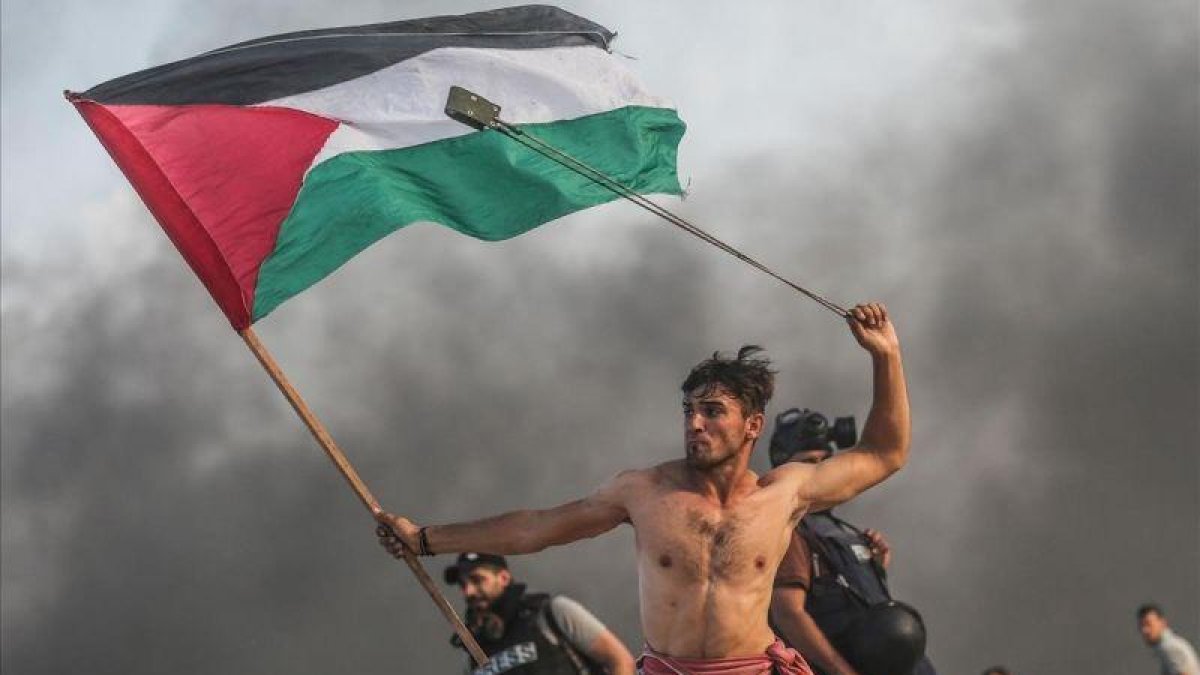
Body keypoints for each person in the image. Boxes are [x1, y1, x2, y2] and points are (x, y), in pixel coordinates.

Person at [378, 302, 909, 675]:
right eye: (689, 411)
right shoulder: (645, 491)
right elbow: (537, 528)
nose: (695, 424)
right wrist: (424, 538)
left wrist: (885, 356)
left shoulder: (784, 493)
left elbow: (885, 453)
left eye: (712, 411)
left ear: (752, 425)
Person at [767, 408, 936, 675]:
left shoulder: (838, 529)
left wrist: (875, 565)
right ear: (782, 467)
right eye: (809, 462)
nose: (820, 471)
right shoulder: (789, 529)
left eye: (825, 462)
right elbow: (788, 613)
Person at [436, 551, 635, 675]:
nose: (468, 591)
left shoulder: (553, 613)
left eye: (477, 580)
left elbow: (621, 661)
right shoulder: (472, 653)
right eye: (463, 584)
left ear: (504, 578)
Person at [1138, 603, 1200, 675]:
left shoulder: (1170, 647)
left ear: (1162, 623)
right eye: (1141, 625)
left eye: (1148, 624)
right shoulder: (1166, 646)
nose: (1144, 630)